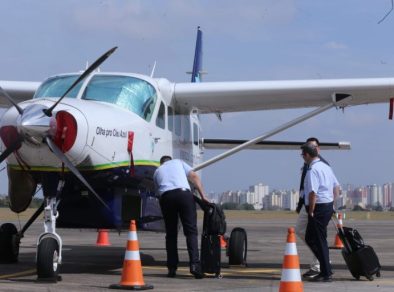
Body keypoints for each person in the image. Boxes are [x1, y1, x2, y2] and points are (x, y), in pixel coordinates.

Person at [153, 155, 208, 279]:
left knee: (171, 234)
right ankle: (195, 266)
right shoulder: (178, 162)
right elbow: (194, 176)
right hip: (184, 195)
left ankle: (172, 268)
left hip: (166, 197)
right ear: (170, 160)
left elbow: (158, 194)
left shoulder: (157, 171)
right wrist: (203, 196)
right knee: (190, 232)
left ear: (161, 163)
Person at [301, 142, 340, 282]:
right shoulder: (326, 167)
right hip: (327, 206)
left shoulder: (313, 170)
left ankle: (326, 272)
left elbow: (312, 193)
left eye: (302, 155)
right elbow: (337, 187)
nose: (302, 158)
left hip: (318, 208)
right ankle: (325, 269)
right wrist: (332, 204)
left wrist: (311, 211)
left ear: (306, 155)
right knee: (317, 239)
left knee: (315, 240)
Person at [295, 137, 330, 279]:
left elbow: (313, 192)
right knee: (311, 235)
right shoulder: (309, 166)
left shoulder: (317, 166)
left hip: (316, 205)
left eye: (312, 147)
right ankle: (322, 263)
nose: (304, 154)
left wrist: (311, 211)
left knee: (315, 237)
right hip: (312, 204)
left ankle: (321, 265)